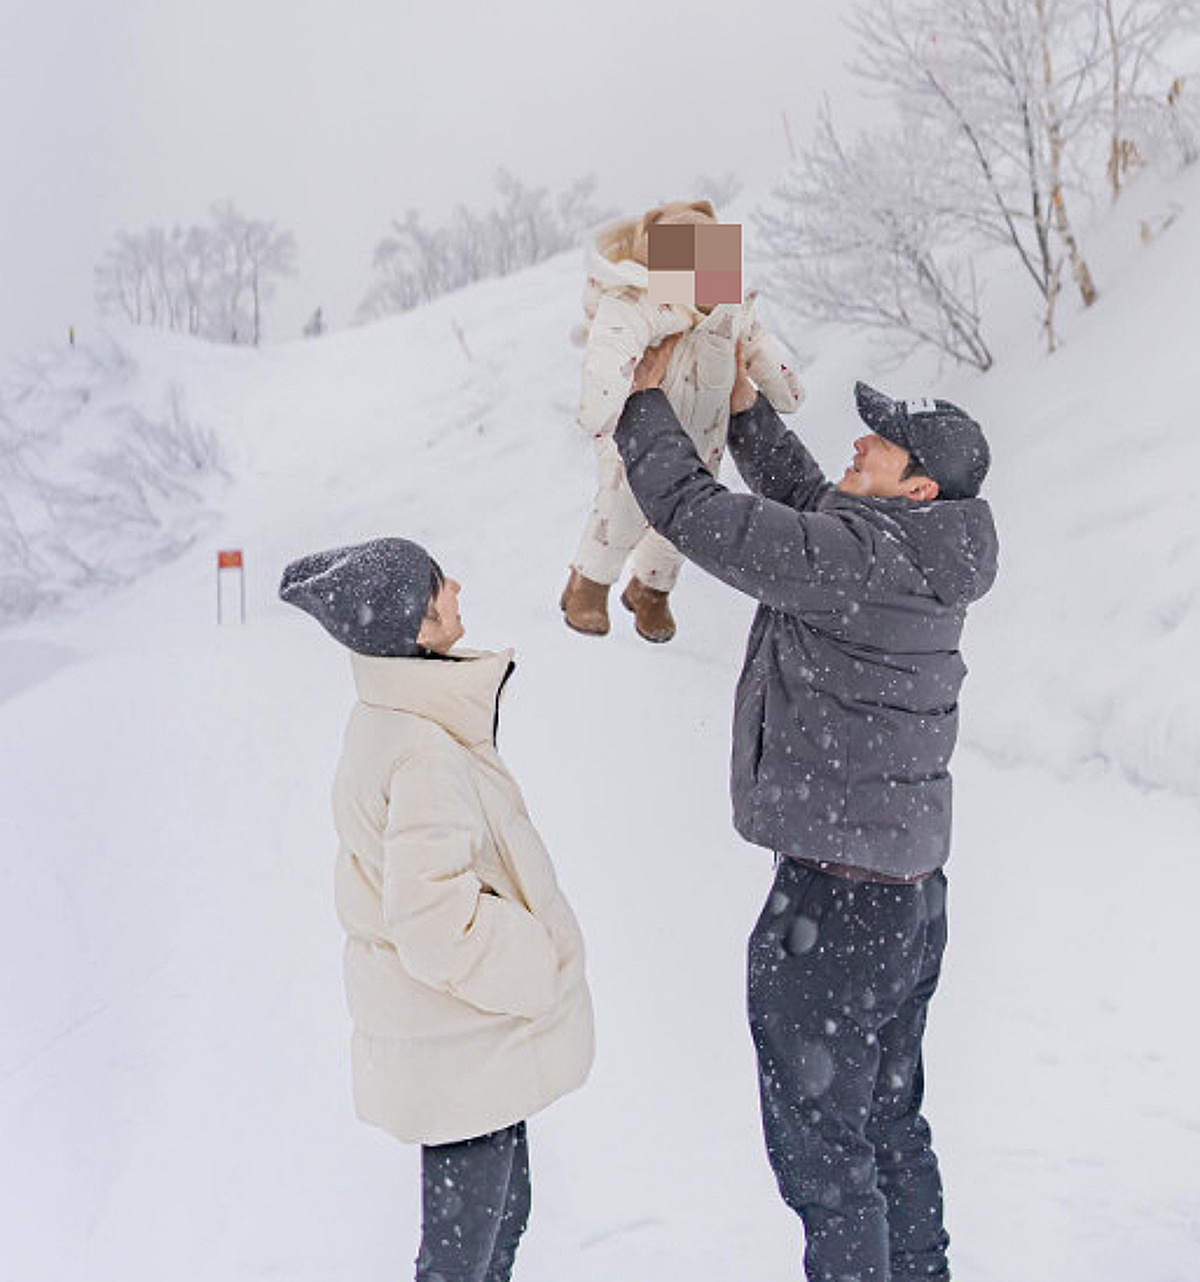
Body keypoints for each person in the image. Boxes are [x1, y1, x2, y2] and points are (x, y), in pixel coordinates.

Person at [612, 337, 997, 1282]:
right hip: (907, 903)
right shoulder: (920, 553)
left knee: (828, 1165)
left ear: (917, 493)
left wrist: (642, 404)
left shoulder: (856, 562)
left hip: (836, 918)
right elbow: (807, 504)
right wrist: (744, 411)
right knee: (886, 1124)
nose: (860, 445)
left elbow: (696, 515)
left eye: (884, 447)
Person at [279, 537, 594, 1282]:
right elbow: (433, 926)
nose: (455, 586)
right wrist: (533, 961)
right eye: (435, 586)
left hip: (465, 1048)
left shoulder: (400, 720)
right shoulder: (421, 749)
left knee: (495, 1231)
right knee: (465, 1258)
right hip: (462, 1049)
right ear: (415, 631)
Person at [562, 197, 802, 642]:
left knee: (684, 519)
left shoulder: (730, 310)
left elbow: (758, 342)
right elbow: (609, 350)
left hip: (701, 438)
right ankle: (589, 582)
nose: (706, 267)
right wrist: (600, 403)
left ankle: (650, 591)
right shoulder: (639, 302)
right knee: (623, 506)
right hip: (635, 429)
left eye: (714, 253)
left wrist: (783, 384)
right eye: (691, 254)